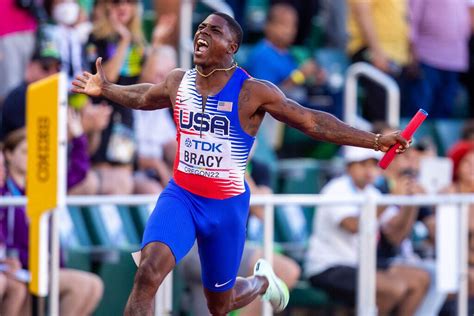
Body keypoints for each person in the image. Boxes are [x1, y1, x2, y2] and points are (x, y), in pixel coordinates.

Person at [72, 12, 409, 315]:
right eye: (200, 28)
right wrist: (106, 88)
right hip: (182, 196)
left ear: (231, 46)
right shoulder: (179, 81)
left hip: (225, 208)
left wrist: (376, 141)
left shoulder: (252, 92)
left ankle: (261, 281)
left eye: (214, 31)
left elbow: (311, 122)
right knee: (147, 273)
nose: (201, 34)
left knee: (220, 304)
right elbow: (144, 97)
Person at [0, 128, 104, 315]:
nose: (30, 157)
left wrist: (79, 137)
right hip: (19, 267)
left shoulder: (40, 189)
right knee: (77, 287)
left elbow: (77, 174)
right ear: (8, 155)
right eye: (24, 152)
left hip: (37, 267)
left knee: (93, 286)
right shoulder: (5, 192)